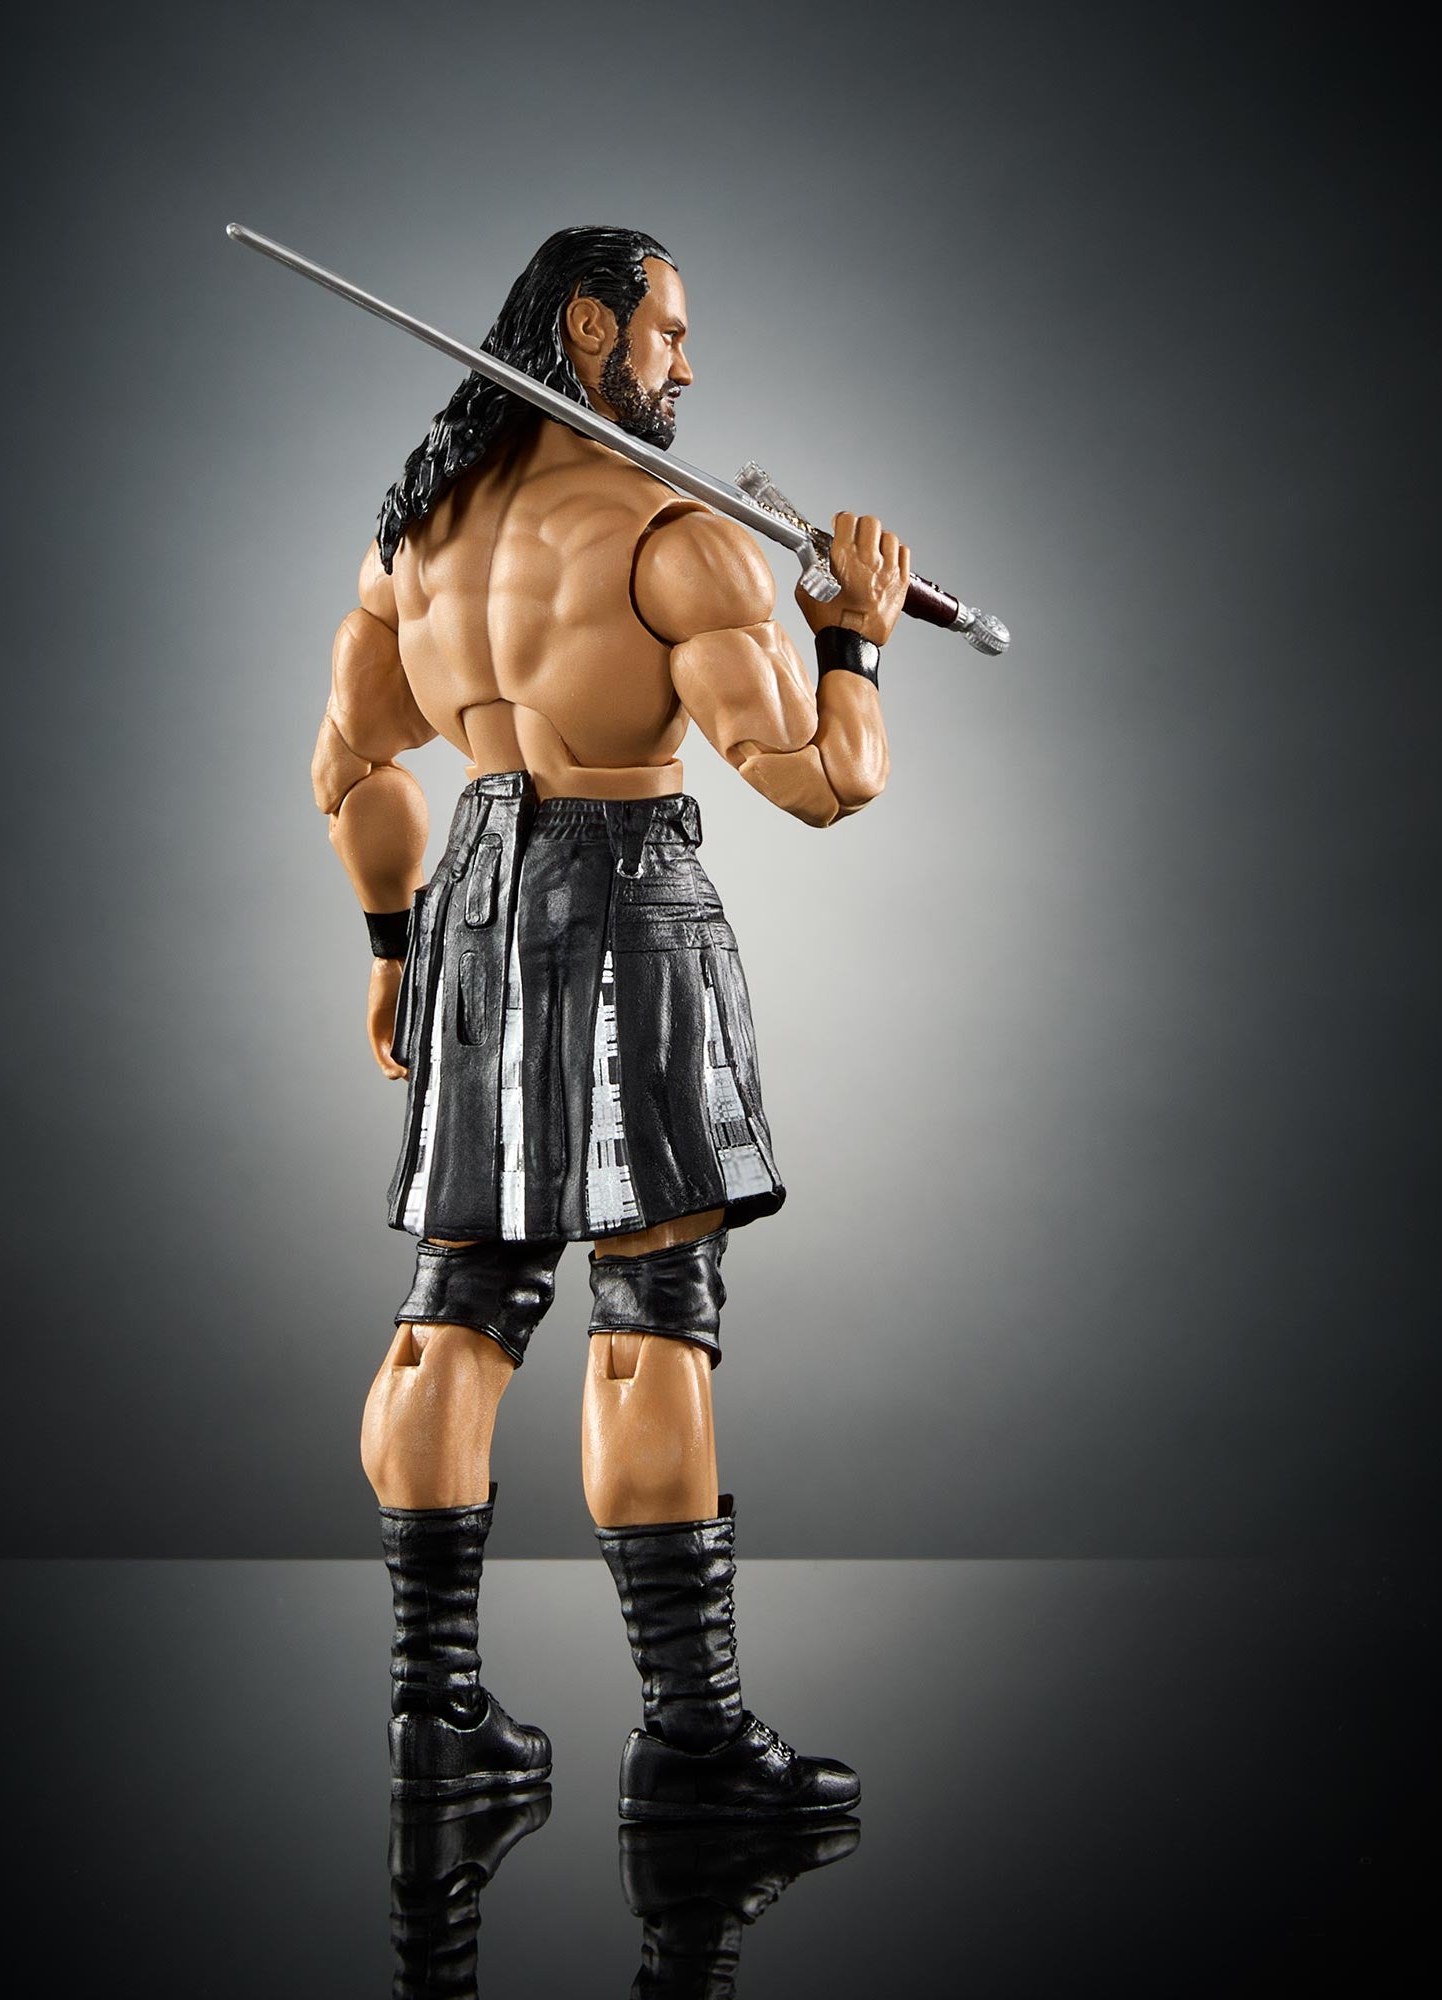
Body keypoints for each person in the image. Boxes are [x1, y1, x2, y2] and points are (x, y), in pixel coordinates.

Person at [313, 226, 908, 1820]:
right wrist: (853, 635)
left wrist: (394, 949)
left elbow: (353, 767)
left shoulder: (416, 535)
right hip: (628, 899)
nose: (688, 366)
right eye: (669, 333)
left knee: (455, 1308)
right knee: (652, 1316)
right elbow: (824, 781)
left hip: (470, 904)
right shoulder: (673, 536)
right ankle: (695, 1745)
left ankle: (434, 1723)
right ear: (590, 327)